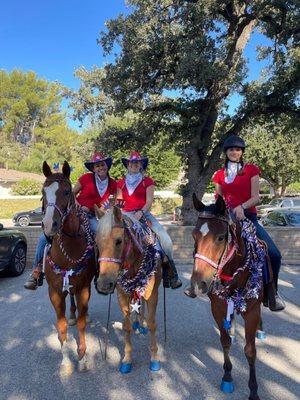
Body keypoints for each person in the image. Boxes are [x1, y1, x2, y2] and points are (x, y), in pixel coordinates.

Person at [211, 135, 285, 311]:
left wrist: (242, 207)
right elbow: (218, 197)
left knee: (274, 254)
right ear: (226, 152)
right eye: (231, 149)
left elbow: (256, 197)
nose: (234, 152)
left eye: (237, 149)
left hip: (248, 218)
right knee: (205, 245)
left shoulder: (251, 170)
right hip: (227, 219)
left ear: (242, 152)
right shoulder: (219, 175)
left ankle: (272, 292)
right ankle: (201, 283)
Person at [24, 152, 117, 290]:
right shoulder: (86, 178)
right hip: (76, 212)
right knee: (44, 237)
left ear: (107, 166)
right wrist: (79, 205)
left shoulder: (112, 183)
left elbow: (114, 199)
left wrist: (106, 208)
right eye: (97, 165)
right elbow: (72, 193)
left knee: (102, 236)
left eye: (102, 164)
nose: (100, 168)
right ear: (93, 168)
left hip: (93, 215)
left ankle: (100, 272)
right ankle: (36, 270)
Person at [116, 151, 182, 289]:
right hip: (126, 215)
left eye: (137, 162)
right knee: (111, 239)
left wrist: (140, 212)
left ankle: (172, 274)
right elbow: (119, 201)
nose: (134, 164)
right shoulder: (120, 183)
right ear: (127, 165)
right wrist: (118, 211)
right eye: (131, 162)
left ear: (141, 165)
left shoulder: (148, 181)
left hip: (143, 214)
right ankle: (108, 274)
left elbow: (149, 201)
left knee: (166, 240)